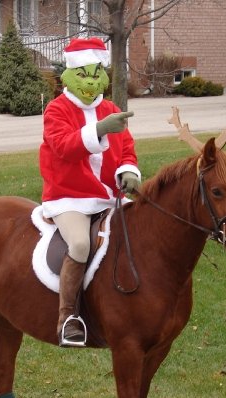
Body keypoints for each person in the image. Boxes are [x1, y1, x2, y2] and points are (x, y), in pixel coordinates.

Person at [39, 37, 141, 347]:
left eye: (97, 72)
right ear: (69, 75)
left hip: (108, 197)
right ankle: (68, 317)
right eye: (83, 73)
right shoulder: (56, 110)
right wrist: (99, 129)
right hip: (69, 198)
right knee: (81, 244)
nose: (92, 80)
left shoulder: (110, 109)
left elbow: (126, 149)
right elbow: (64, 148)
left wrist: (128, 172)